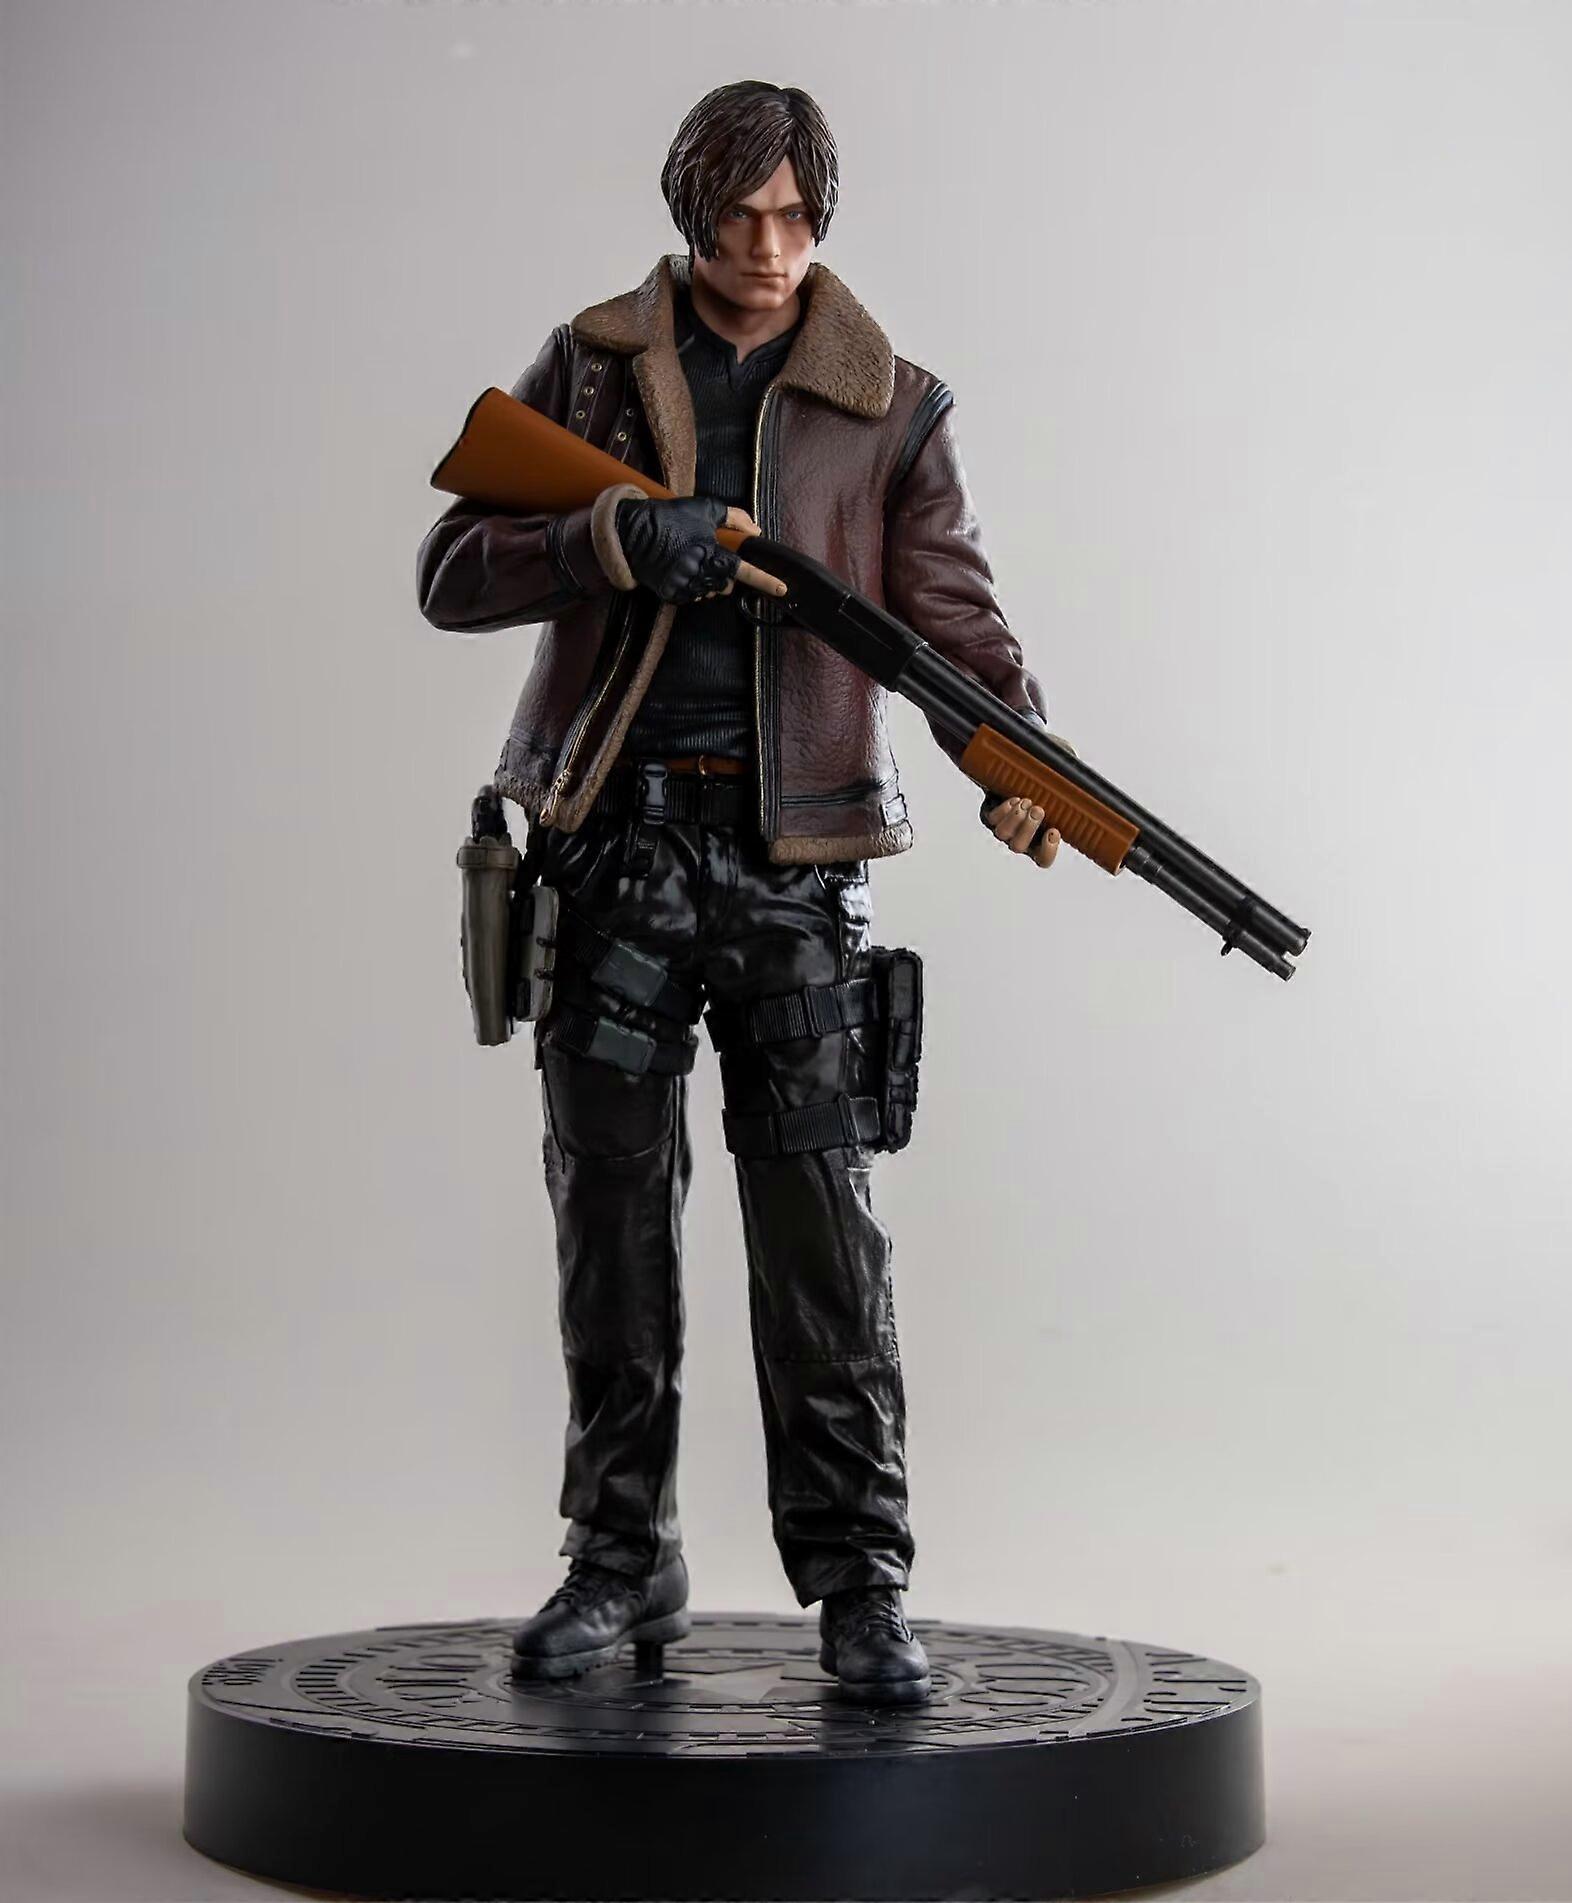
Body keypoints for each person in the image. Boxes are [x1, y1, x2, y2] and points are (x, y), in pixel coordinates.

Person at [417, 80, 1057, 1706]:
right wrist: (616, 537)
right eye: (740, 214)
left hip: (798, 864)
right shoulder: (595, 366)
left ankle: (861, 1581)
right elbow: (453, 570)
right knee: (609, 1228)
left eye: (795, 214)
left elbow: (951, 618)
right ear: (691, 210)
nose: (769, 246)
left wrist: (1019, 763)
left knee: (824, 1239)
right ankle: (617, 1559)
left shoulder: (889, 404)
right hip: (612, 846)